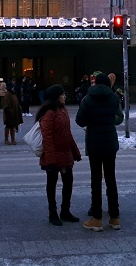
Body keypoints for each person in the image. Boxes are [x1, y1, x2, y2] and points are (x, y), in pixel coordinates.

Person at [75, 72, 124, 232]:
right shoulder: (114, 98)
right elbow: (118, 117)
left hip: (95, 144)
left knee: (96, 180)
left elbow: (79, 120)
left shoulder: (88, 99)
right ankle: (115, 217)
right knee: (111, 179)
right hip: (110, 144)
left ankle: (96, 218)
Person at [36, 84, 82, 226]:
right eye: (62, 94)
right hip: (53, 155)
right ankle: (53, 212)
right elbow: (47, 136)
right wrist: (50, 158)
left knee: (68, 182)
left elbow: (67, 133)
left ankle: (65, 210)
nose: (65, 96)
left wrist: (75, 151)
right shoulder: (49, 113)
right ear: (56, 97)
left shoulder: (62, 110)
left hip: (65, 154)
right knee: (52, 183)